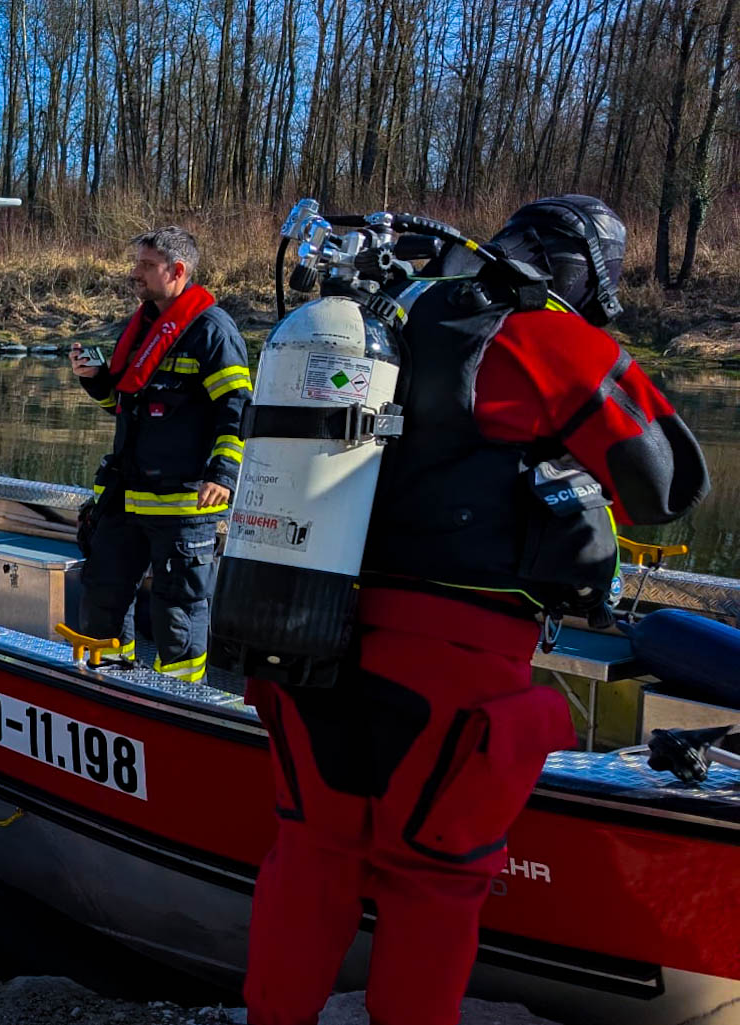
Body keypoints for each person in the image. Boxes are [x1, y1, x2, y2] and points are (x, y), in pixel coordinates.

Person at [241, 196, 710, 1025]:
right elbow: (669, 484)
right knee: (435, 881)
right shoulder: (543, 336)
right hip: (453, 665)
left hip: (309, 629)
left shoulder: (372, 320)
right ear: (581, 274)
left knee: (311, 857)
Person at [70, 227, 250, 682]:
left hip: (183, 504)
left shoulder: (213, 332)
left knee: (178, 615)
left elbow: (236, 411)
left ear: (177, 270)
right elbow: (121, 405)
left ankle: (178, 700)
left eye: (147, 265)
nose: (136, 273)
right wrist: (94, 379)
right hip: (125, 498)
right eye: (137, 263)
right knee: (102, 598)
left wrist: (222, 474)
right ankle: (109, 684)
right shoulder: (141, 328)